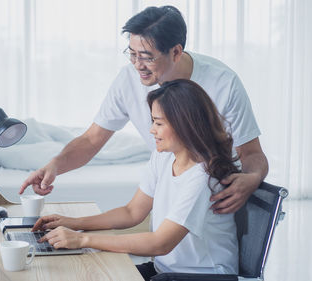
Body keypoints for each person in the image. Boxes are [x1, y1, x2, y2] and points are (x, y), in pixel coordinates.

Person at [19, 5, 268, 214]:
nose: (138, 65)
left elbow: (253, 154)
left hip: (214, 201)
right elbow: (91, 140)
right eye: (132, 54)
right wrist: (53, 166)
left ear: (176, 52)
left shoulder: (223, 83)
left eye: (147, 57)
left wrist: (252, 179)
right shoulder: (129, 79)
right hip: (168, 195)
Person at [33, 79, 240, 279]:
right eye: (153, 122)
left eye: (158, 123)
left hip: (202, 276)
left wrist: (82, 239)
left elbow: (160, 243)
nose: (152, 130)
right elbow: (132, 212)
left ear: (184, 125)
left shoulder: (202, 177)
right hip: (165, 269)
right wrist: (75, 223)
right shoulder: (164, 156)